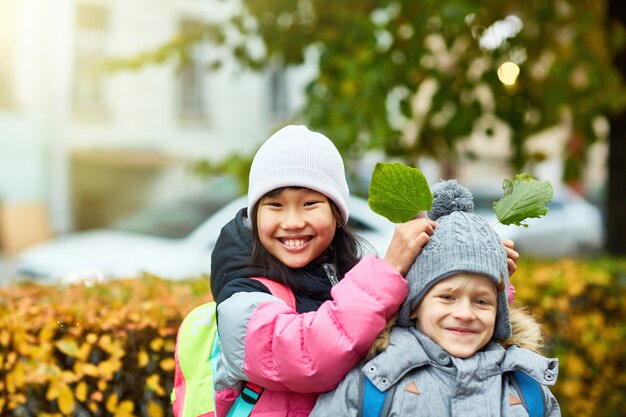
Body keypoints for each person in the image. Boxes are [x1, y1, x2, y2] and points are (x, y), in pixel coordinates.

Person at [211, 125, 519, 417]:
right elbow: (309, 356)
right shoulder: (241, 297)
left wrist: (477, 270)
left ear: (337, 214)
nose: (292, 221)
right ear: (255, 213)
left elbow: (424, 318)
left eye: (310, 204)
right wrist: (388, 269)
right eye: (275, 205)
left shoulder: (347, 274)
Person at [310, 180, 560, 417]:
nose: (465, 313)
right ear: (415, 305)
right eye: (447, 297)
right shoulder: (375, 382)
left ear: (499, 311)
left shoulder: (527, 388)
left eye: (481, 301)